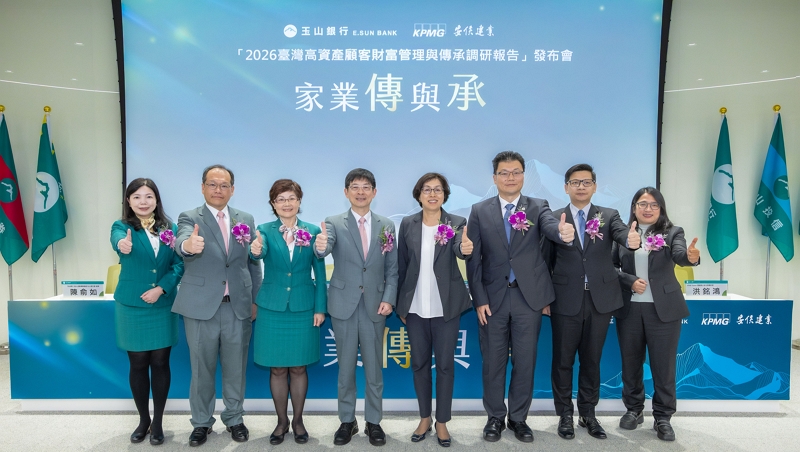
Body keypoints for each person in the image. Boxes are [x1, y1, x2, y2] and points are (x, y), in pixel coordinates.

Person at [465, 151, 575, 443]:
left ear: (524, 176)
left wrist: (561, 231)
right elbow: (474, 259)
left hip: (529, 299)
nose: (510, 177)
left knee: (525, 362)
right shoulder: (479, 210)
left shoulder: (538, 206)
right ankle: (494, 418)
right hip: (493, 300)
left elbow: (550, 226)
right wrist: (479, 299)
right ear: (494, 178)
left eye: (516, 172)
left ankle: (518, 418)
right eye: (504, 173)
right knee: (493, 362)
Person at [543, 164, 640, 440]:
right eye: (575, 182)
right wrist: (545, 297)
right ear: (566, 187)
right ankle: (564, 414)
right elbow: (545, 260)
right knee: (562, 361)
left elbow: (622, 234)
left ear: (595, 187)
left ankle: (588, 413)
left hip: (599, 301)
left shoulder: (608, 215)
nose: (581, 186)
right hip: (564, 300)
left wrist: (631, 239)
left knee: (591, 360)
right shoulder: (553, 218)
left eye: (586, 182)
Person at [172, 165, 262, 447]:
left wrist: (255, 298)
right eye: (212, 184)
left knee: (236, 368)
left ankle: (234, 418)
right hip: (201, 308)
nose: (218, 190)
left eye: (224, 185)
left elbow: (253, 262)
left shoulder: (245, 219)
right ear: (203, 187)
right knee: (202, 369)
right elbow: (181, 241)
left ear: (232, 190)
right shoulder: (190, 217)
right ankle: (201, 422)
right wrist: (188, 245)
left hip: (238, 306)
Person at [315, 168, 399, 447]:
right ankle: (347, 421)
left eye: (366, 187)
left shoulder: (387, 225)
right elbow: (324, 248)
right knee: (346, 369)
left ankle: (373, 422)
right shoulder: (333, 222)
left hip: (376, 305)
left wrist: (389, 297)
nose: (360, 192)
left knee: (374, 370)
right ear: (346, 192)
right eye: (355, 186)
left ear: (374, 192)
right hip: (344, 305)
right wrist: (320, 246)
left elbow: (392, 268)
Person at [613, 186, 700, 442]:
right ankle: (633, 409)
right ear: (634, 207)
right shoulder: (621, 234)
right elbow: (608, 266)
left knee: (664, 366)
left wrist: (691, 258)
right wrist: (629, 280)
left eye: (653, 204)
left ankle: (663, 417)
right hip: (630, 309)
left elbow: (680, 255)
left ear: (661, 208)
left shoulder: (673, 232)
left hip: (664, 310)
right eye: (642, 204)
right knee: (631, 363)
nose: (648, 209)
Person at [396, 173, 473, 448]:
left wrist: (465, 248)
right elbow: (402, 264)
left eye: (438, 190)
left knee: (445, 365)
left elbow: (460, 249)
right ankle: (424, 418)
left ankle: (442, 422)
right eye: (427, 189)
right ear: (419, 195)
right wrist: (401, 304)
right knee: (418, 364)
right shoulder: (408, 224)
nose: (432, 194)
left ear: (444, 195)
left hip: (445, 308)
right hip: (415, 308)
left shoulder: (456, 222)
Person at [249, 179, 327, 445]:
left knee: (299, 367)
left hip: (303, 307)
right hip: (272, 308)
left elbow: (320, 273)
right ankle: (281, 421)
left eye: (291, 198)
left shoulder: (313, 231)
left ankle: (298, 421)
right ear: (273, 204)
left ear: (299, 201)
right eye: (280, 199)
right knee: (278, 369)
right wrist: (254, 250)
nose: (286, 203)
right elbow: (258, 253)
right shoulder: (264, 230)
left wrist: (320, 307)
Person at [111, 178, 184, 446]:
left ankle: (159, 422)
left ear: (156, 200)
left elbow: (179, 264)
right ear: (129, 201)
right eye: (137, 197)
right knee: (138, 363)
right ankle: (143, 419)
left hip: (161, 305)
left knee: (161, 363)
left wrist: (161, 288)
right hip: (132, 305)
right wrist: (122, 245)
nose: (143, 202)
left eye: (149, 196)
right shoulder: (121, 227)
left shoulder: (170, 228)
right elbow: (117, 241)